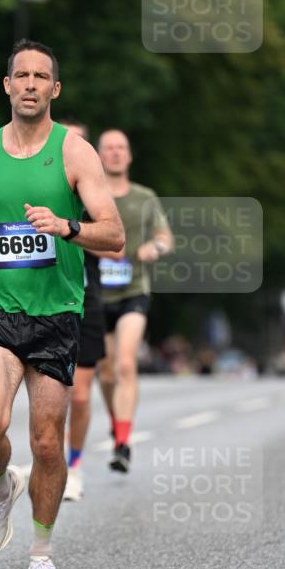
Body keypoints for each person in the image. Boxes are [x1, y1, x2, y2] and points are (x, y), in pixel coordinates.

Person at [0, 40, 124, 569]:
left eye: (40, 76)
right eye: (19, 75)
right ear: (6, 86)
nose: (28, 84)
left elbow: (115, 236)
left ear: (55, 89)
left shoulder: (76, 154)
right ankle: (1, 488)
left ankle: (42, 560)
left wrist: (66, 227)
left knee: (47, 444)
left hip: (56, 315)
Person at [97, 129, 172, 473]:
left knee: (126, 364)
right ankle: (118, 422)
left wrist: (151, 249)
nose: (114, 153)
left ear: (129, 156)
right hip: (96, 293)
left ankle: (123, 444)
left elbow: (165, 238)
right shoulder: (90, 195)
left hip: (133, 291)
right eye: (108, 148)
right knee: (106, 372)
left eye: (120, 148)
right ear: (99, 155)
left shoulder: (145, 197)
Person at [58, 120, 107, 503]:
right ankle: (49, 460)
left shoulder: (94, 193)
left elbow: (117, 245)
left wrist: (69, 228)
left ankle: (73, 465)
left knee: (78, 395)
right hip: (40, 300)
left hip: (84, 300)